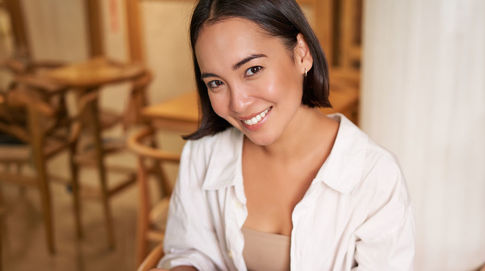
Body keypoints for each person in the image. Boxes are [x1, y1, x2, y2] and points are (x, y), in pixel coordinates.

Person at [155, 0, 415, 270]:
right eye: (216, 83)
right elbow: (188, 252)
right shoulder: (202, 155)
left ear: (302, 54)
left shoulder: (376, 177)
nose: (238, 103)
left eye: (252, 70)